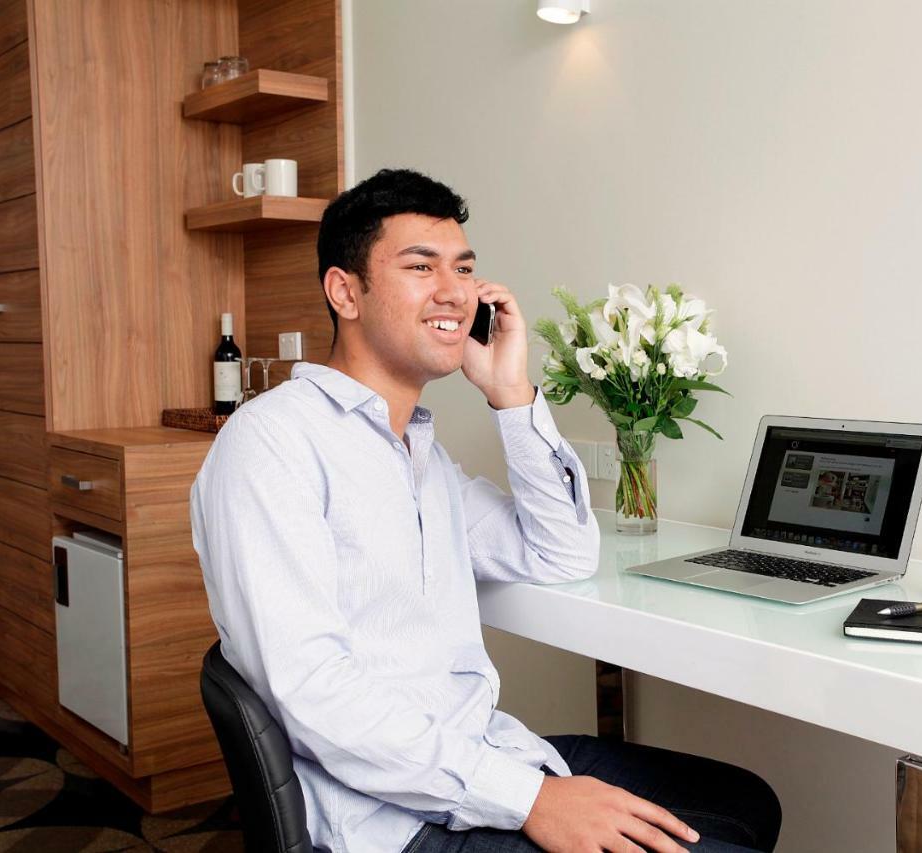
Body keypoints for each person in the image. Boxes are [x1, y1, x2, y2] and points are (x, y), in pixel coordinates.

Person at [190, 168, 781, 853]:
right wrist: (529, 798)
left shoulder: (417, 454)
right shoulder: (271, 444)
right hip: (393, 820)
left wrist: (511, 393)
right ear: (344, 291)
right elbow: (316, 692)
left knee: (743, 802)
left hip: (476, 753)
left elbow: (561, 552)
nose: (453, 289)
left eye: (464, 269)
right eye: (421, 266)